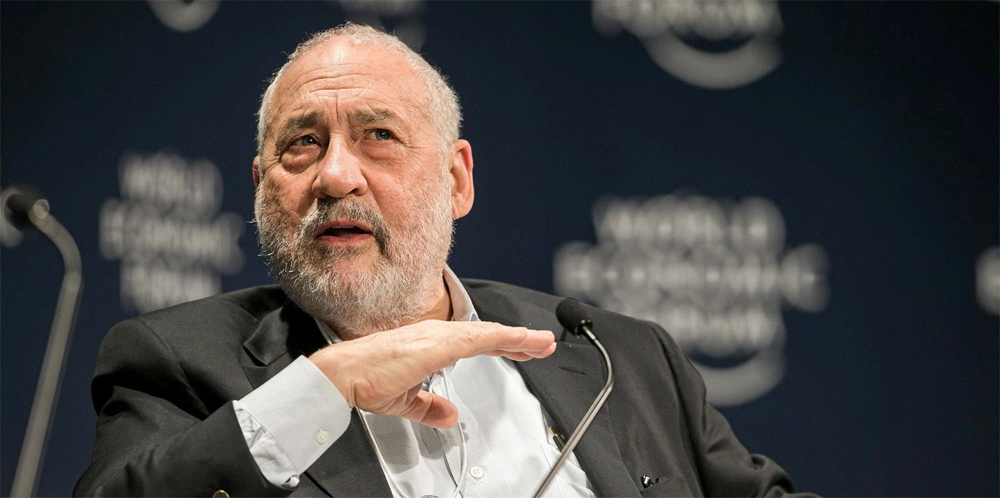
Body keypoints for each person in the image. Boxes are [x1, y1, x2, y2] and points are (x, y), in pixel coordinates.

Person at [76, 24, 805, 498]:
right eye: (302, 143)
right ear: (263, 187)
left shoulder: (624, 357)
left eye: (378, 136)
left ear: (457, 180)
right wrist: (322, 391)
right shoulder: (175, 363)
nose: (336, 176)